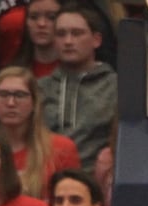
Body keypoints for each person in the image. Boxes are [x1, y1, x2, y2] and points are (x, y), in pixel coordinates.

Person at [38, 4, 117, 174]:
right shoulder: (40, 88)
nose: (68, 41)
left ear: (96, 40)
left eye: (76, 33)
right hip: (44, 181)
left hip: (96, 184)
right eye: (61, 34)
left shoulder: (116, 87)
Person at [0, 66, 79, 199]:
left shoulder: (62, 149)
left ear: (34, 102)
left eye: (20, 95)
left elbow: (73, 202)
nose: (10, 103)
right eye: (3, 94)